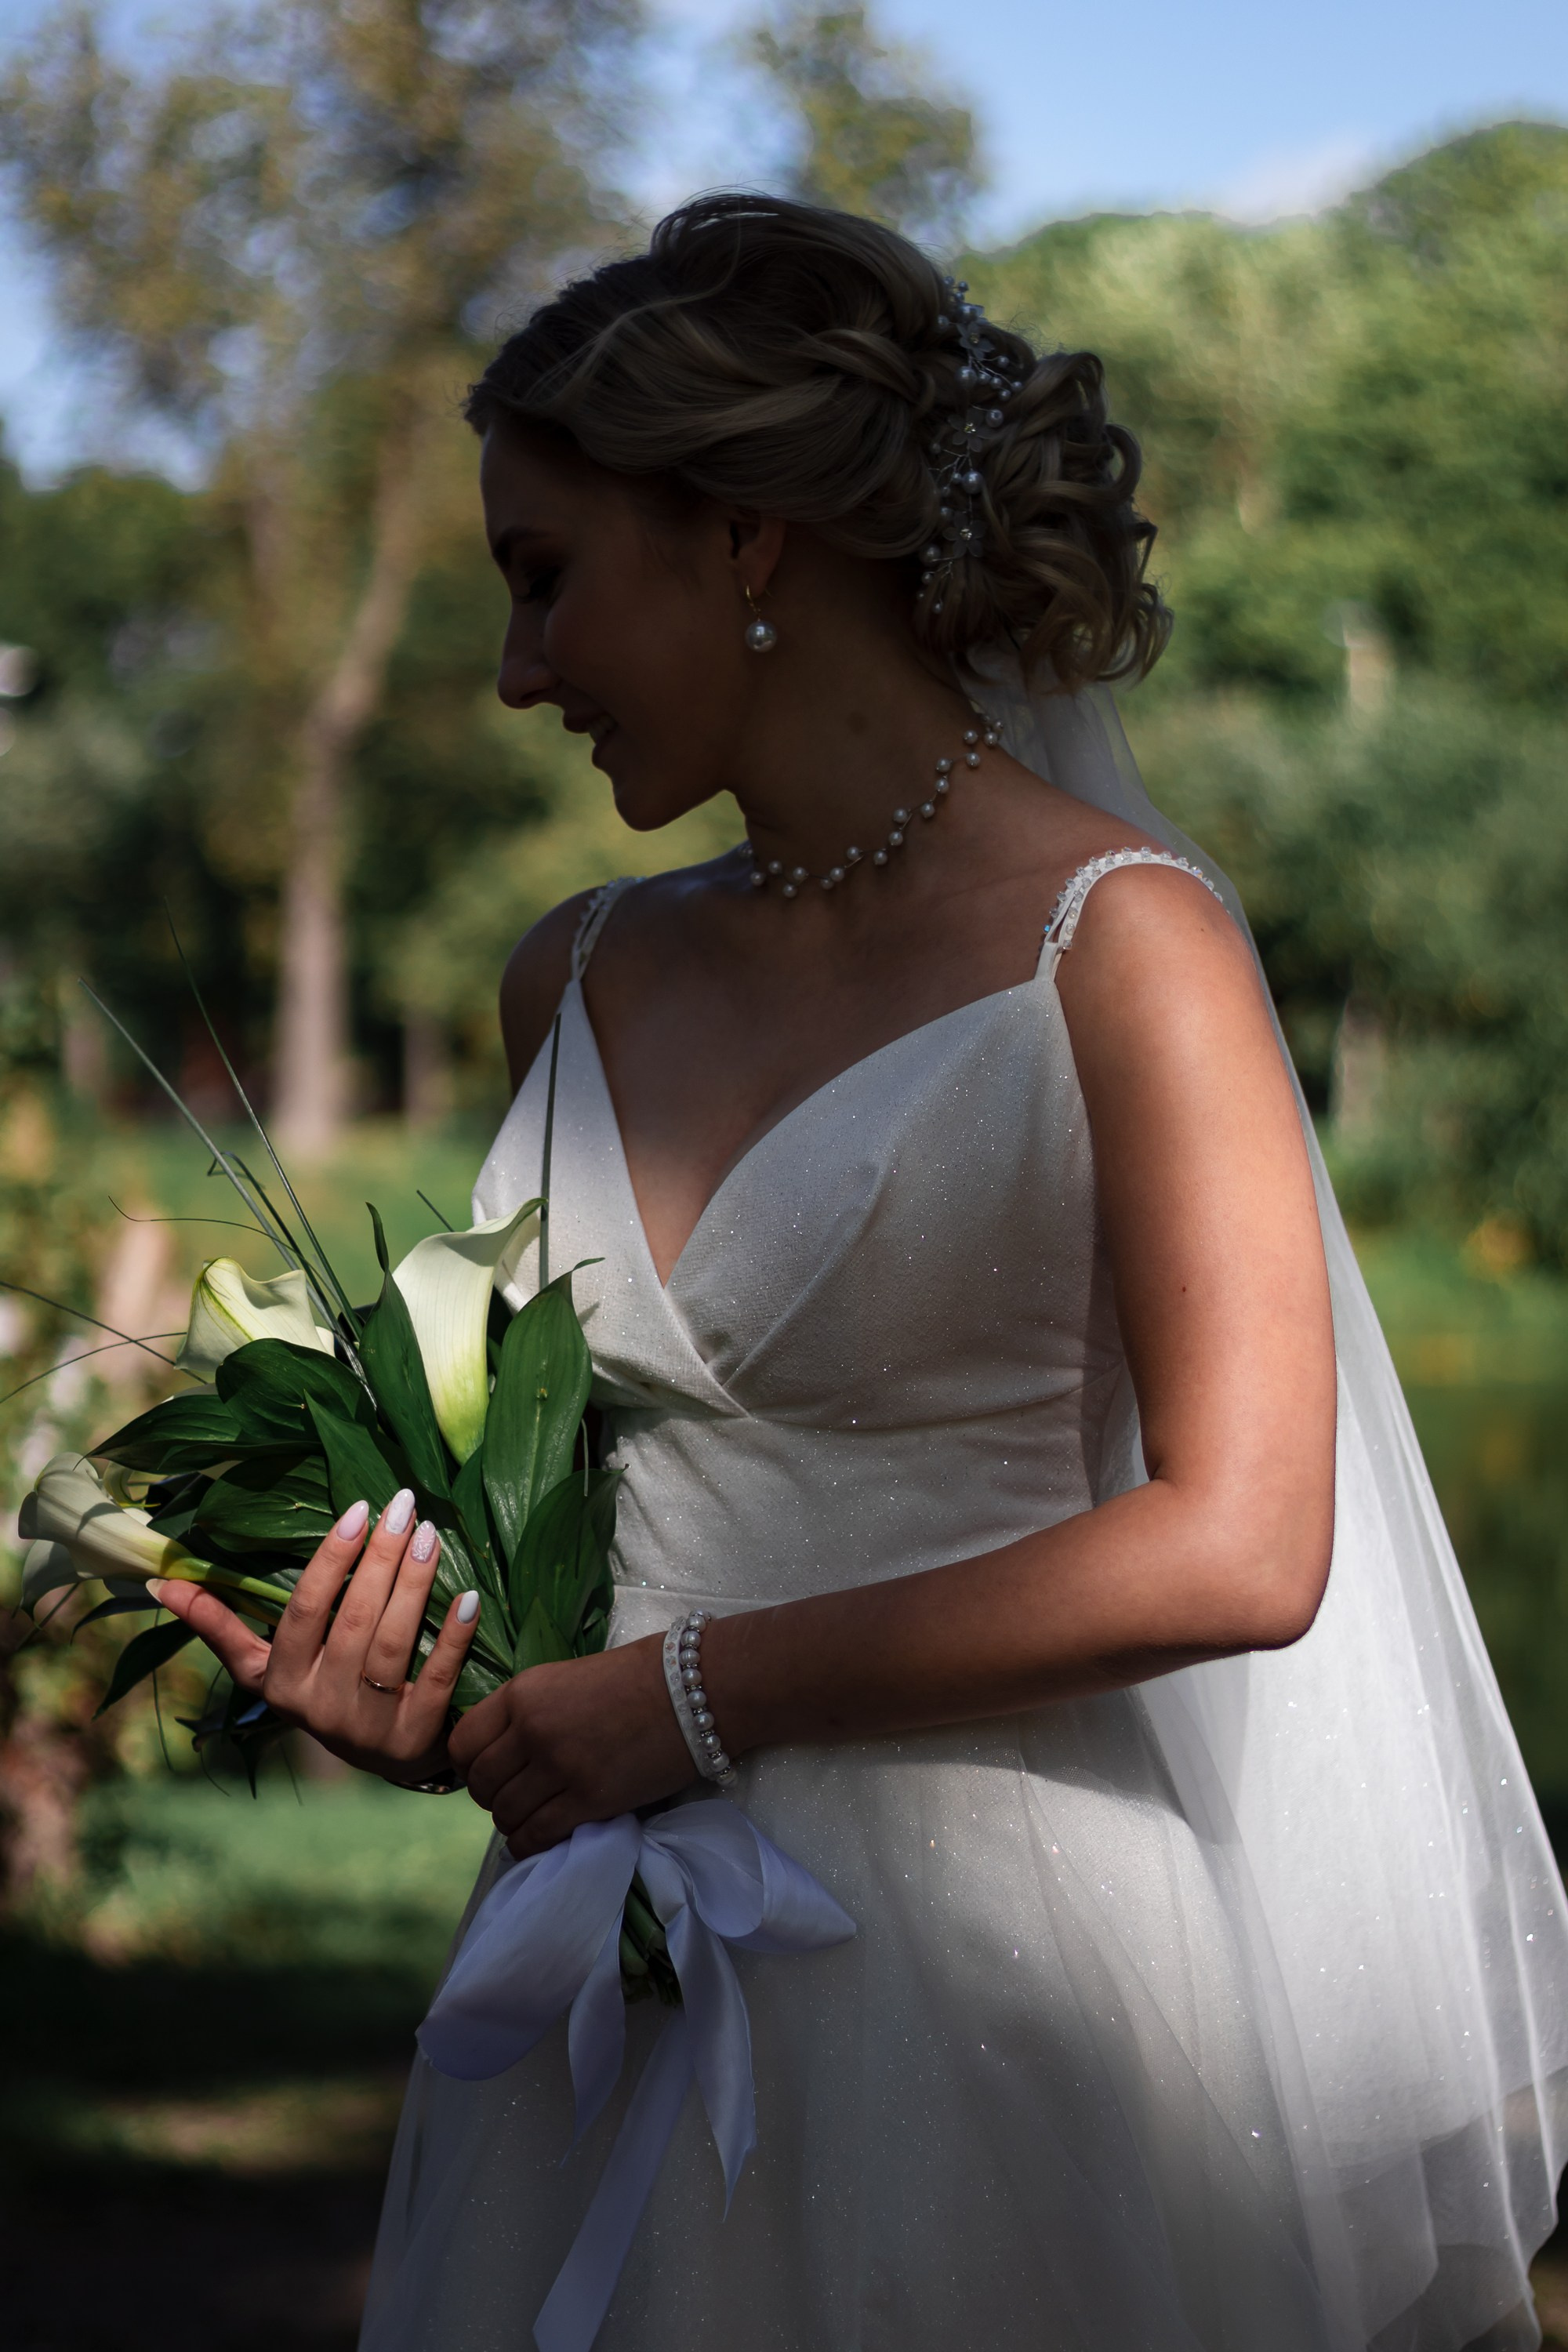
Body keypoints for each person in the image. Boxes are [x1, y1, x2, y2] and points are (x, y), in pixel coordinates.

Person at [158, 197, 1567, 2351]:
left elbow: (1246, 1542)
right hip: (608, 1987)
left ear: (742, 539)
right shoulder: (581, 976)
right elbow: (577, 1544)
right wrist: (461, 1708)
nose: (517, 672)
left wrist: (688, 1701)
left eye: (544, 579)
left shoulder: (1123, 943)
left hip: (1015, 2012)